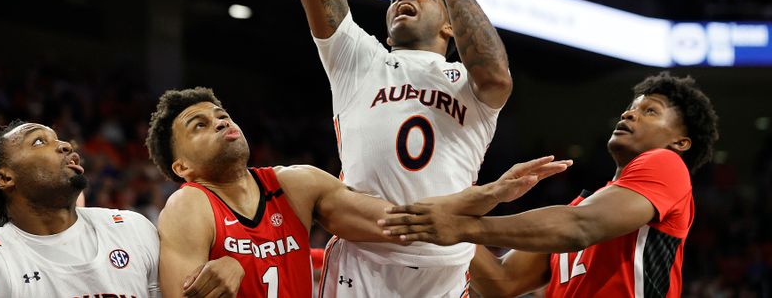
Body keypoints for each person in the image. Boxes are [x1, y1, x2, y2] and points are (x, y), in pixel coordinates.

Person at [286, 0, 513, 296]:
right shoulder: (360, 59)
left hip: (444, 269)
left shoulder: (471, 83)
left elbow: (497, 77)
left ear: (451, 27)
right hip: (365, 260)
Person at [146, 87, 563, 298]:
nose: (219, 121)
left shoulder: (295, 184)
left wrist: (489, 193)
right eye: (198, 125)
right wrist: (224, 276)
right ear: (182, 167)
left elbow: (397, 219)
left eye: (220, 114)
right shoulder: (190, 204)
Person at [379, 72, 720, 298]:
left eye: (650, 111)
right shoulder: (578, 207)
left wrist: (462, 225)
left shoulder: (667, 164)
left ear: (681, 142)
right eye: (631, 108)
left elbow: (579, 227)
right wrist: (435, 197)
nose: (629, 115)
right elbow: (502, 282)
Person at [0, 120, 160, 297]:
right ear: (5, 179)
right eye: (38, 141)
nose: (66, 145)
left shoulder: (133, 229)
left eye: (58, 138)